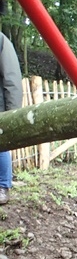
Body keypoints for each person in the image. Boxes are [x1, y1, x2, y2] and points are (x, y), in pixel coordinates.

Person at [0, 31, 23, 205]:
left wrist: (13, 113)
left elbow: (11, 77)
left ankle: (3, 186)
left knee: (1, 146)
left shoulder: (1, 41)